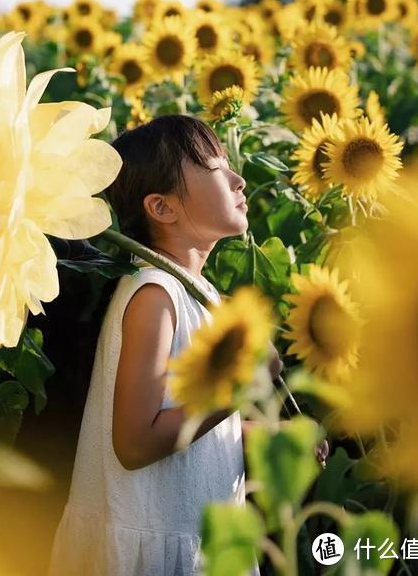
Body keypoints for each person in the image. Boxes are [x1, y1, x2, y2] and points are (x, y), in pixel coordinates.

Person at [47, 114, 274, 576]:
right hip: (156, 551)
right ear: (163, 208)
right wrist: (238, 387)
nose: (238, 179)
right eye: (215, 168)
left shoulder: (200, 294)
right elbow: (135, 442)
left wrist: (264, 439)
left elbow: (186, 428)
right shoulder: (155, 295)